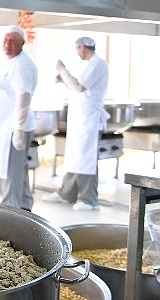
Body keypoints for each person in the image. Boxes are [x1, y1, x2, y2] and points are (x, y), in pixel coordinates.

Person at [43, 36, 109, 211]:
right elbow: (78, 91)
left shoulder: (98, 64)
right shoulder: (91, 66)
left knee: (85, 158)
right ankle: (67, 192)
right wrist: (63, 81)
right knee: (75, 157)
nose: (77, 52)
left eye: (77, 49)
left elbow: (80, 87)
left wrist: (63, 70)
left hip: (89, 120)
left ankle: (89, 199)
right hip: (80, 120)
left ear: (82, 47)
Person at [0, 26, 38, 211]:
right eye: (5, 40)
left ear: (22, 43)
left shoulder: (22, 65)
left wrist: (18, 129)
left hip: (15, 128)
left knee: (11, 174)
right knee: (18, 171)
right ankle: (25, 208)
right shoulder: (12, 62)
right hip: (7, 126)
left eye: (12, 41)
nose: (7, 44)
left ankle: (11, 214)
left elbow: (23, 96)